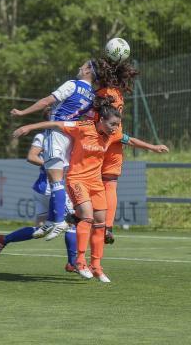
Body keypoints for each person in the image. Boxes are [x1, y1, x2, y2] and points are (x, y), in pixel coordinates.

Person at [12, 97, 168, 282]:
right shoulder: (82, 127)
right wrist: (29, 127)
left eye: (117, 124)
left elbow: (130, 140)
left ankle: (97, 266)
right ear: (101, 120)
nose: (115, 128)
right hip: (77, 179)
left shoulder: (113, 134)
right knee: (86, 216)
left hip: (96, 183)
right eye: (112, 124)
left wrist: (153, 147)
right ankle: (79, 261)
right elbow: (56, 122)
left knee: (100, 223)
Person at [10, 59, 97, 241]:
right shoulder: (92, 94)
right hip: (71, 137)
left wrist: (23, 113)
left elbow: (46, 101)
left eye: (83, 65)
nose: (79, 67)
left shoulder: (72, 85)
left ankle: (58, 221)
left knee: (55, 180)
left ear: (89, 70)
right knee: (58, 178)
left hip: (56, 134)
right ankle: (51, 220)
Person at [0, 129, 78, 271]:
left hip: (45, 188)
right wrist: (53, 165)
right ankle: (73, 263)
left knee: (42, 228)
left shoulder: (66, 136)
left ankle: (4, 240)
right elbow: (31, 157)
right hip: (51, 188)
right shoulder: (44, 136)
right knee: (72, 222)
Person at [89, 57, 139, 244]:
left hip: (100, 143)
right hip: (117, 144)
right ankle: (107, 227)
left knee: (89, 184)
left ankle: (85, 221)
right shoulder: (118, 93)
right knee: (110, 185)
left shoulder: (101, 95)